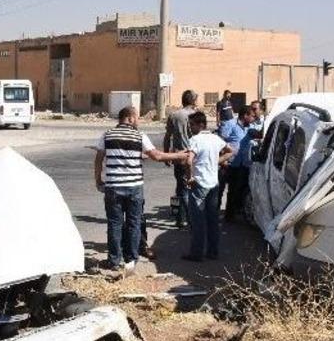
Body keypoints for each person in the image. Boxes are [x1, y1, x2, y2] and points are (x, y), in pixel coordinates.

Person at [94, 106, 187, 269]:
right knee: (134, 223)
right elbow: (157, 156)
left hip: (113, 186)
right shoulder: (139, 135)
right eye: (137, 117)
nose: (138, 121)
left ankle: (114, 261)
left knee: (114, 224)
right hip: (134, 187)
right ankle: (131, 261)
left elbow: (98, 159)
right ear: (130, 118)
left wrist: (98, 180)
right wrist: (178, 155)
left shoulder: (107, 134)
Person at [182, 111, 234, 262]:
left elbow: (188, 161)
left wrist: (190, 177)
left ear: (201, 125)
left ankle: (197, 253)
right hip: (213, 183)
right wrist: (216, 162)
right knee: (212, 220)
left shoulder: (195, 140)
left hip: (199, 183)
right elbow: (230, 151)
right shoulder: (215, 138)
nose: (190, 128)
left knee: (198, 221)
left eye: (192, 125)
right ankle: (213, 251)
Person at [163, 89, 198, 228]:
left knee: (181, 188)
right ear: (193, 101)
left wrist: (166, 154)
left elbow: (168, 136)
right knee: (190, 188)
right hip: (194, 156)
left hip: (178, 156)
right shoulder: (197, 115)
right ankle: (190, 219)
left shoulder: (174, 115)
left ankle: (180, 218)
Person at [223, 107, 256, 222]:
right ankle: (229, 215)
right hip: (232, 164)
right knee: (232, 190)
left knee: (242, 189)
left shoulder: (250, 127)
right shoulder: (230, 124)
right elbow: (221, 141)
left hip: (245, 163)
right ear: (245, 115)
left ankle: (240, 211)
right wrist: (223, 159)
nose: (253, 118)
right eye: (252, 116)